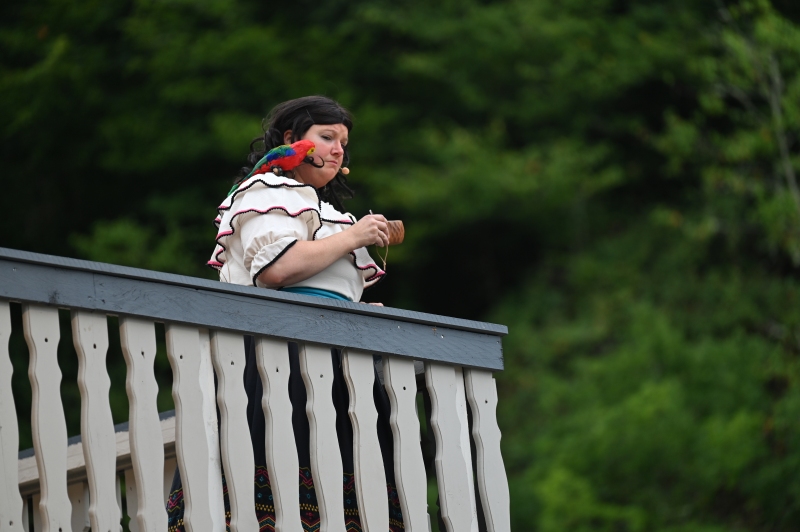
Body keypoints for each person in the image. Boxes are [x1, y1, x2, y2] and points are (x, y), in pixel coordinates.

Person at [166, 96, 404, 532]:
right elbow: (278, 270)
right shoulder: (266, 192)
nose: (338, 150)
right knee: (277, 484)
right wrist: (354, 237)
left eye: (343, 142)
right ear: (292, 139)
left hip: (337, 365)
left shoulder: (328, 214)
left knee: (345, 496)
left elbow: (329, 289)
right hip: (279, 358)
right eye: (327, 137)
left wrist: (359, 314)